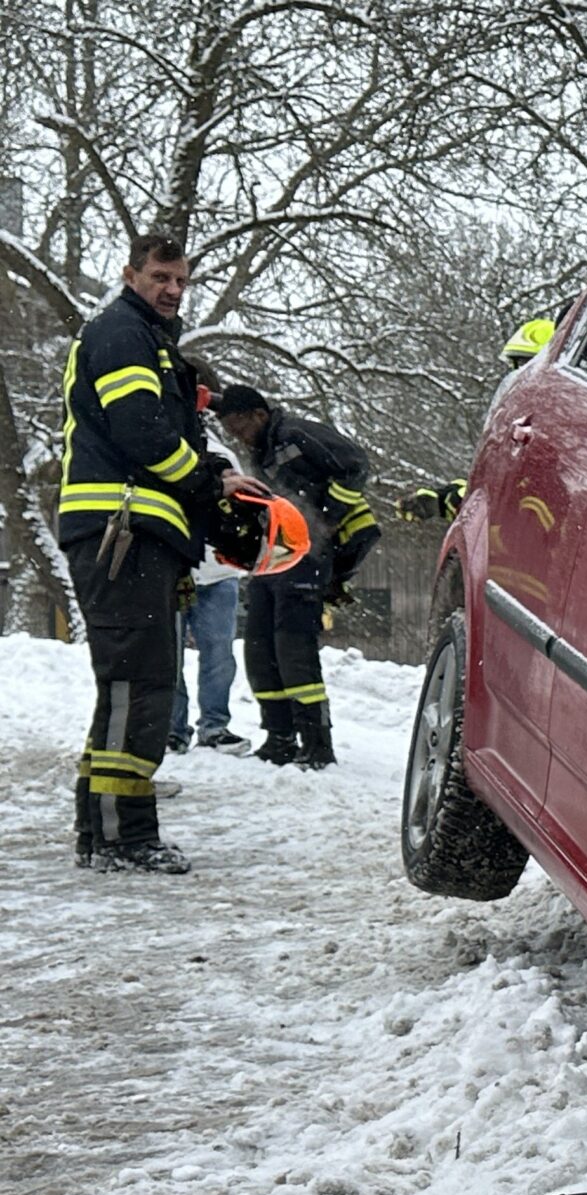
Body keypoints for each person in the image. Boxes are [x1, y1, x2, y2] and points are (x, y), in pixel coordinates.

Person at [55, 232, 240, 872]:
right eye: (161, 277)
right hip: (121, 530)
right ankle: (121, 838)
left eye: (181, 280)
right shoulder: (122, 335)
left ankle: (105, 830)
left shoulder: (147, 342)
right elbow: (142, 432)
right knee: (139, 685)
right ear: (130, 274)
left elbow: (163, 431)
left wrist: (215, 473)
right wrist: (207, 483)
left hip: (133, 531)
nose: (172, 289)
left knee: (133, 686)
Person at [209, 386, 378, 768]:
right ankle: (279, 737)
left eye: (238, 423)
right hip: (274, 557)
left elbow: (355, 464)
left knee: (293, 648)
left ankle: (317, 743)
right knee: (260, 647)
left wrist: (327, 517)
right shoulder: (260, 448)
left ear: (258, 414)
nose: (236, 433)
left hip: (307, 554)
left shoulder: (295, 434)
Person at [168, 561, 248, 753]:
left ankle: (214, 727)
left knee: (219, 654)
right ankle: (172, 729)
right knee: (168, 654)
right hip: (172, 572)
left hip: (219, 573)